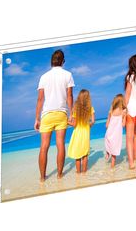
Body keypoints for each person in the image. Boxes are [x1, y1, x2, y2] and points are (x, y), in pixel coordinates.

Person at [34, 50, 75, 182]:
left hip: (47, 114)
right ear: (63, 61)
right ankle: (59, 175)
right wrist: (72, 114)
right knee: (60, 144)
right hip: (61, 113)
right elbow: (69, 96)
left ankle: (42, 178)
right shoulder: (68, 75)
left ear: (51, 61)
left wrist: (37, 118)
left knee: (44, 147)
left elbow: (40, 99)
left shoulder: (43, 77)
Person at [67, 89, 95, 173]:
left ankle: (78, 173)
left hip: (77, 134)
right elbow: (93, 121)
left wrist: (66, 122)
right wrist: (88, 126)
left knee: (78, 155)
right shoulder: (91, 108)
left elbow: (74, 124)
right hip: (86, 133)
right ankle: (84, 172)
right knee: (85, 154)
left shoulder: (75, 109)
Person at [105, 94, 126, 168]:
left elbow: (107, 125)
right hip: (116, 135)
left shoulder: (111, 111)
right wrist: (124, 117)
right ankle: (112, 168)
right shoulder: (123, 112)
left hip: (109, 133)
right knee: (114, 153)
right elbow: (123, 125)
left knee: (108, 144)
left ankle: (107, 152)